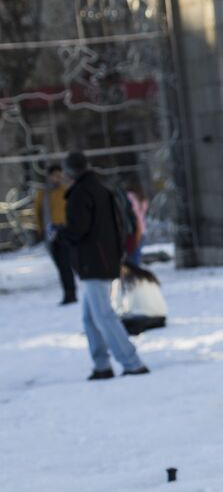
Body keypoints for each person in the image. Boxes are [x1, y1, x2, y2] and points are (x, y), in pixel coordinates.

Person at [55, 151, 149, 379]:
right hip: (104, 259)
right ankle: (101, 365)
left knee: (103, 315)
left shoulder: (80, 193)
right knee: (90, 317)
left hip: (93, 263)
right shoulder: (101, 189)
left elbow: (79, 230)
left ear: (69, 171)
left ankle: (132, 362)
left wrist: (59, 232)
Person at [36, 163, 78, 305]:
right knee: (60, 265)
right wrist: (41, 231)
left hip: (65, 231)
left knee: (66, 264)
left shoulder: (66, 190)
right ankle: (67, 291)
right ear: (49, 177)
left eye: (60, 175)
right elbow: (38, 214)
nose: (57, 178)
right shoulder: (43, 194)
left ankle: (71, 293)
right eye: (55, 175)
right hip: (50, 234)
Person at [124, 179, 148, 267]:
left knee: (132, 257)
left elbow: (132, 213)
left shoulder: (129, 197)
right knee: (136, 256)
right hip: (142, 230)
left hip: (135, 230)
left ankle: (133, 276)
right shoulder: (141, 197)